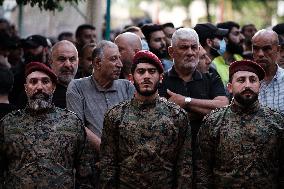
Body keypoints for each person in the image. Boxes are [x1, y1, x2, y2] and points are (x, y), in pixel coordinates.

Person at [100, 50, 192, 188]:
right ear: (131, 78)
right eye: (141, 72)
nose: (146, 76)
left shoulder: (177, 115)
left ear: (161, 77)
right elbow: (108, 163)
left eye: (152, 71)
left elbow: (184, 165)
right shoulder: (116, 115)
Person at [0, 62, 93, 188]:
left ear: (53, 87)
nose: (39, 87)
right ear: (26, 88)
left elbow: (85, 173)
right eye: (33, 82)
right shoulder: (8, 124)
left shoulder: (72, 123)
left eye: (45, 82)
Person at [196, 59, 284, 188]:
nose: (247, 85)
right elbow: (202, 167)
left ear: (260, 86)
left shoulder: (277, 121)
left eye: (253, 80)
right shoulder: (213, 121)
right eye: (241, 80)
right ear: (230, 87)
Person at [159, 28, 228, 143]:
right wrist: (205, 111)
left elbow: (223, 108)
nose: (190, 52)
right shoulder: (161, 81)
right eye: (184, 47)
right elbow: (162, 118)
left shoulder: (211, 77)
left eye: (194, 47)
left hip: (206, 151)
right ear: (171, 52)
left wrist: (185, 101)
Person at [66, 40, 135, 151]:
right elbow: (77, 125)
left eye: (119, 58)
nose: (120, 64)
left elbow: (135, 123)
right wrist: (106, 151)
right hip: (91, 162)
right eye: (113, 59)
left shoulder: (127, 87)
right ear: (98, 63)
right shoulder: (77, 87)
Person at [252, 29, 284, 113]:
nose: (260, 54)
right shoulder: (244, 83)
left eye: (266, 49)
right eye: (255, 48)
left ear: (278, 49)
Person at [213, 21, 244, 86]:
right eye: (236, 34)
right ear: (225, 39)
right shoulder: (214, 65)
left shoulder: (240, 58)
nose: (242, 37)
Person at [50, 40, 79, 108]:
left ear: (78, 62)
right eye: (62, 59)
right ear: (51, 62)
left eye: (72, 59)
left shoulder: (84, 89)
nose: (68, 65)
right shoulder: (43, 93)